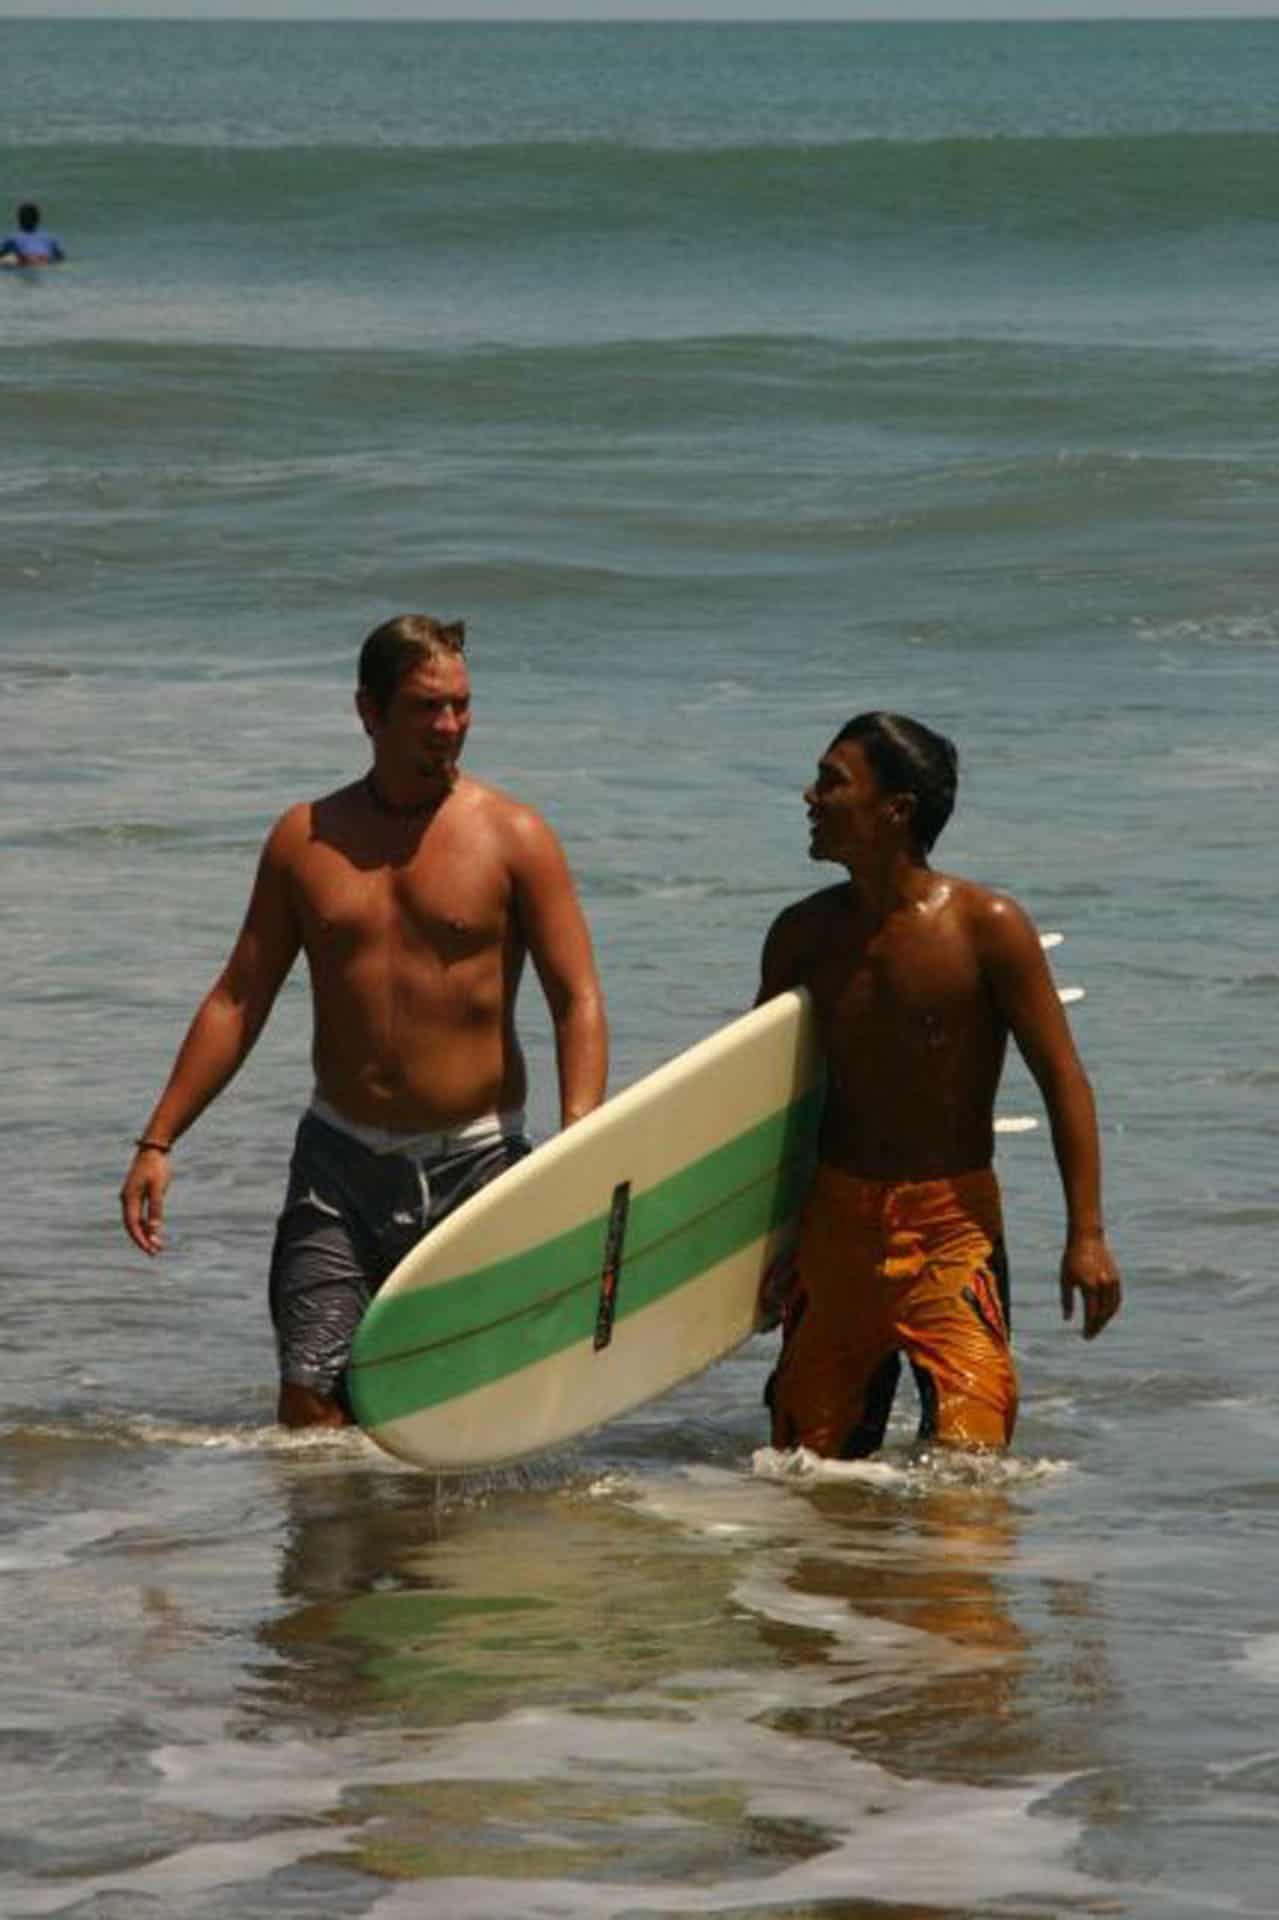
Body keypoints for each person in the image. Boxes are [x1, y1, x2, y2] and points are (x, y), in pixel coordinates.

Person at [120, 614, 608, 1428]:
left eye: (460, 704)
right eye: (426, 707)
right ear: (369, 712)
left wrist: (580, 1141)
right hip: (337, 1163)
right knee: (310, 1406)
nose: (449, 726)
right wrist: (159, 1138)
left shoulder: (515, 838)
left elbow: (576, 998)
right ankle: (338, 1552)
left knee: (462, 1417)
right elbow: (239, 997)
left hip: (476, 1164)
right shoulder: (305, 841)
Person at [756, 711, 1120, 1459]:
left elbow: (1061, 1079)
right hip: (831, 1230)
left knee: (970, 1479)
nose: (809, 796)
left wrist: (1086, 1234)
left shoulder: (987, 927)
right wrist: (754, 1249)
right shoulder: (800, 935)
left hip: (951, 1228)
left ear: (895, 811)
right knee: (805, 1477)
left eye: (832, 781)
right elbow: (761, 1105)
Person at [0, 202, 65, 266]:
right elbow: (61, 258)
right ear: (38, 219)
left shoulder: (11, 239)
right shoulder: (50, 239)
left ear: (19, 220)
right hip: (45, 259)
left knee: (9, 259)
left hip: (26, 259)